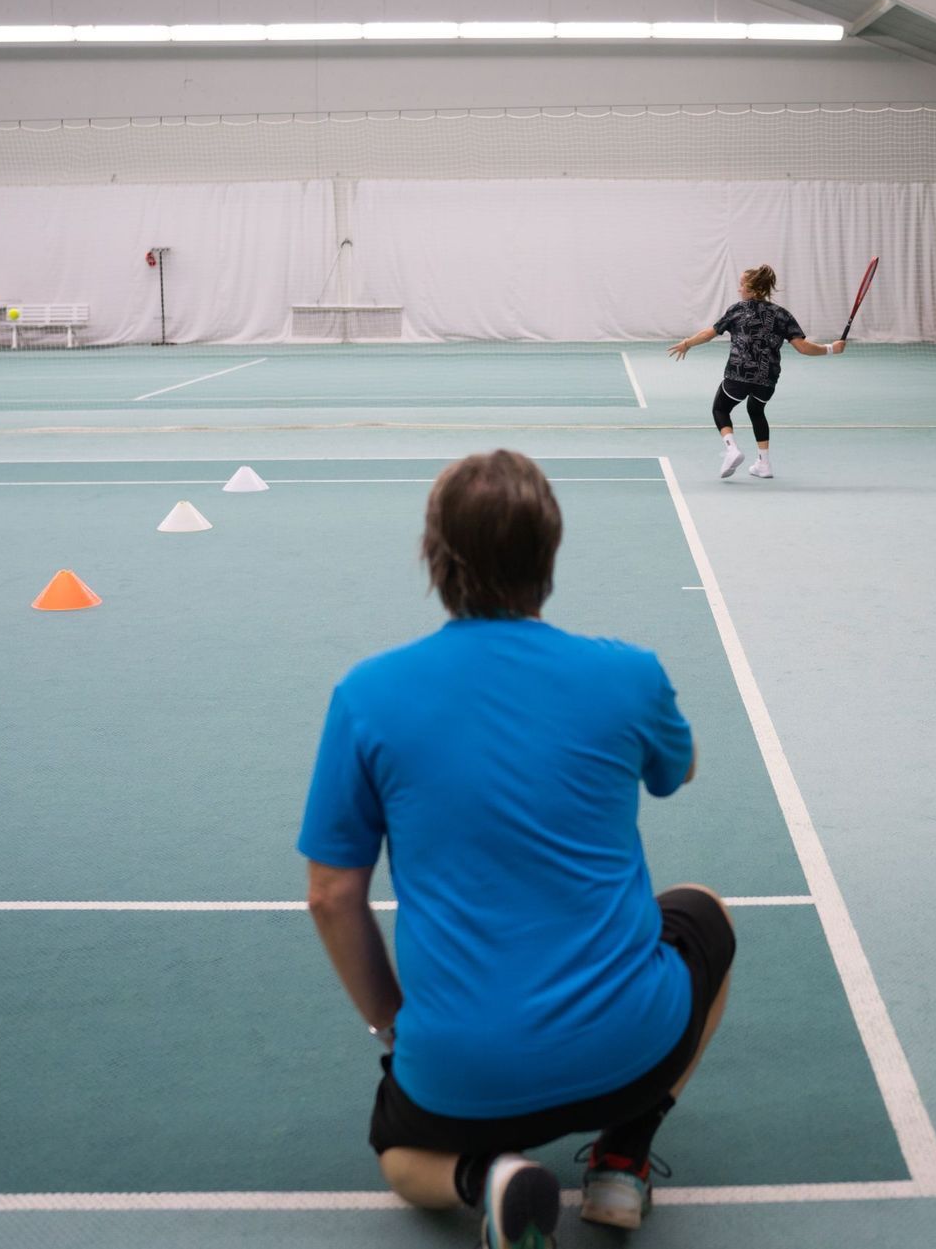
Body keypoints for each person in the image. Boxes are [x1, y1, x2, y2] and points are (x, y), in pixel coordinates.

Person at [298, 449, 736, 1249]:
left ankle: (486, 1180)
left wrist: (393, 1028)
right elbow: (680, 770)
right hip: (626, 1044)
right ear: (550, 554)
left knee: (400, 1155)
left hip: (460, 1070)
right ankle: (621, 1160)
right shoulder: (629, 674)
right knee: (705, 915)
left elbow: (331, 895)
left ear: (433, 557)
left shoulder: (367, 694)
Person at [668, 263, 846, 480]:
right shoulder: (782, 315)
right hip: (767, 378)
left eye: (741, 285)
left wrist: (687, 343)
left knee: (720, 409)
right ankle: (764, 464)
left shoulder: (737, 310)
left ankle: (731, 449)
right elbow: (803, 347)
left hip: (739, 374)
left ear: (752, 289)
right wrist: (831, 349)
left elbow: (708, 334)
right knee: (756, 409)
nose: (739, 289)